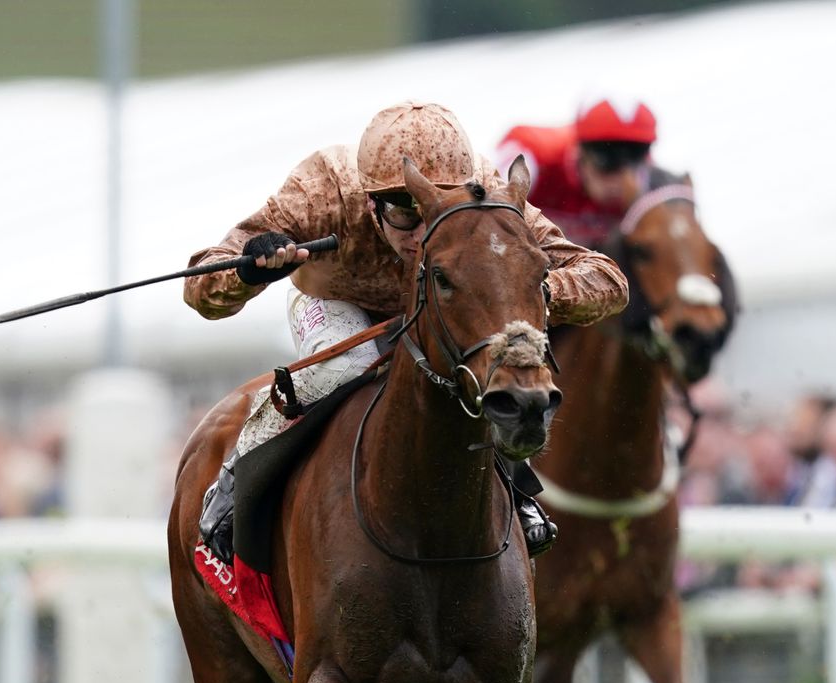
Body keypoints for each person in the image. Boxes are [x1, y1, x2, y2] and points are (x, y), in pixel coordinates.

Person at [185, 100, 628, 562]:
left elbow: (608, 280)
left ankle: (517, 493)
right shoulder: (321, 189)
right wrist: (249, 272)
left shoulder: (486, 194)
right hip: (335, 300)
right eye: (405, 210)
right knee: (344, 368)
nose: (421, 232)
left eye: (438, 208)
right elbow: (200, 287)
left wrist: (529, 290)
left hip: (442, 305)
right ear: (370, 200)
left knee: (485, 366)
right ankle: (236, 483)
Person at [496, 95, 669, 251]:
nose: (620, 182)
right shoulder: (535, 157)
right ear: (579, 152)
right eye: (608, 165)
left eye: (633, 166)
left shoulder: (656, 191)